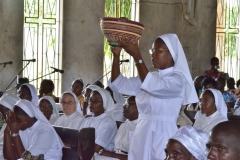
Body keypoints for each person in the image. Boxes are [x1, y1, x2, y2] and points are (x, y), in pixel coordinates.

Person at [108, 33, 198, 159]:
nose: (153, 54)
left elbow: (153, 86)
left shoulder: (177, 80)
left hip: (163, 134)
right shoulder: (151, 77)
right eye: (152, 50)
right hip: (142, 132)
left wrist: (137, 55)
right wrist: (116, 56)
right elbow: (118, 84)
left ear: (171, 54)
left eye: (158, 51)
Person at [94, 96, 138, 160]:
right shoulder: (123, 125)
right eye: (124, 104)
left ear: (139, 107)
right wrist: (108, 152)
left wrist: (112, 155)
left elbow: (138, 157)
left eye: (127, 104)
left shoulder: (141, 129)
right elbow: (117, 148)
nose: (123, 106)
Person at [80, 88, 117, 154]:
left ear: (105, 103)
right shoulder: (87, 120)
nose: (91, 103)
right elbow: (78, 139)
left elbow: (97, 148)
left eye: (96, 101)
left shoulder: (108, 122)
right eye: (90, 100)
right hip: (85, 154)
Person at [0, 94, 20, 159]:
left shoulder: (22, 128)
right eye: (1, 114)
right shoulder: (6, 124)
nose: (2, 118)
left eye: (4, 114)